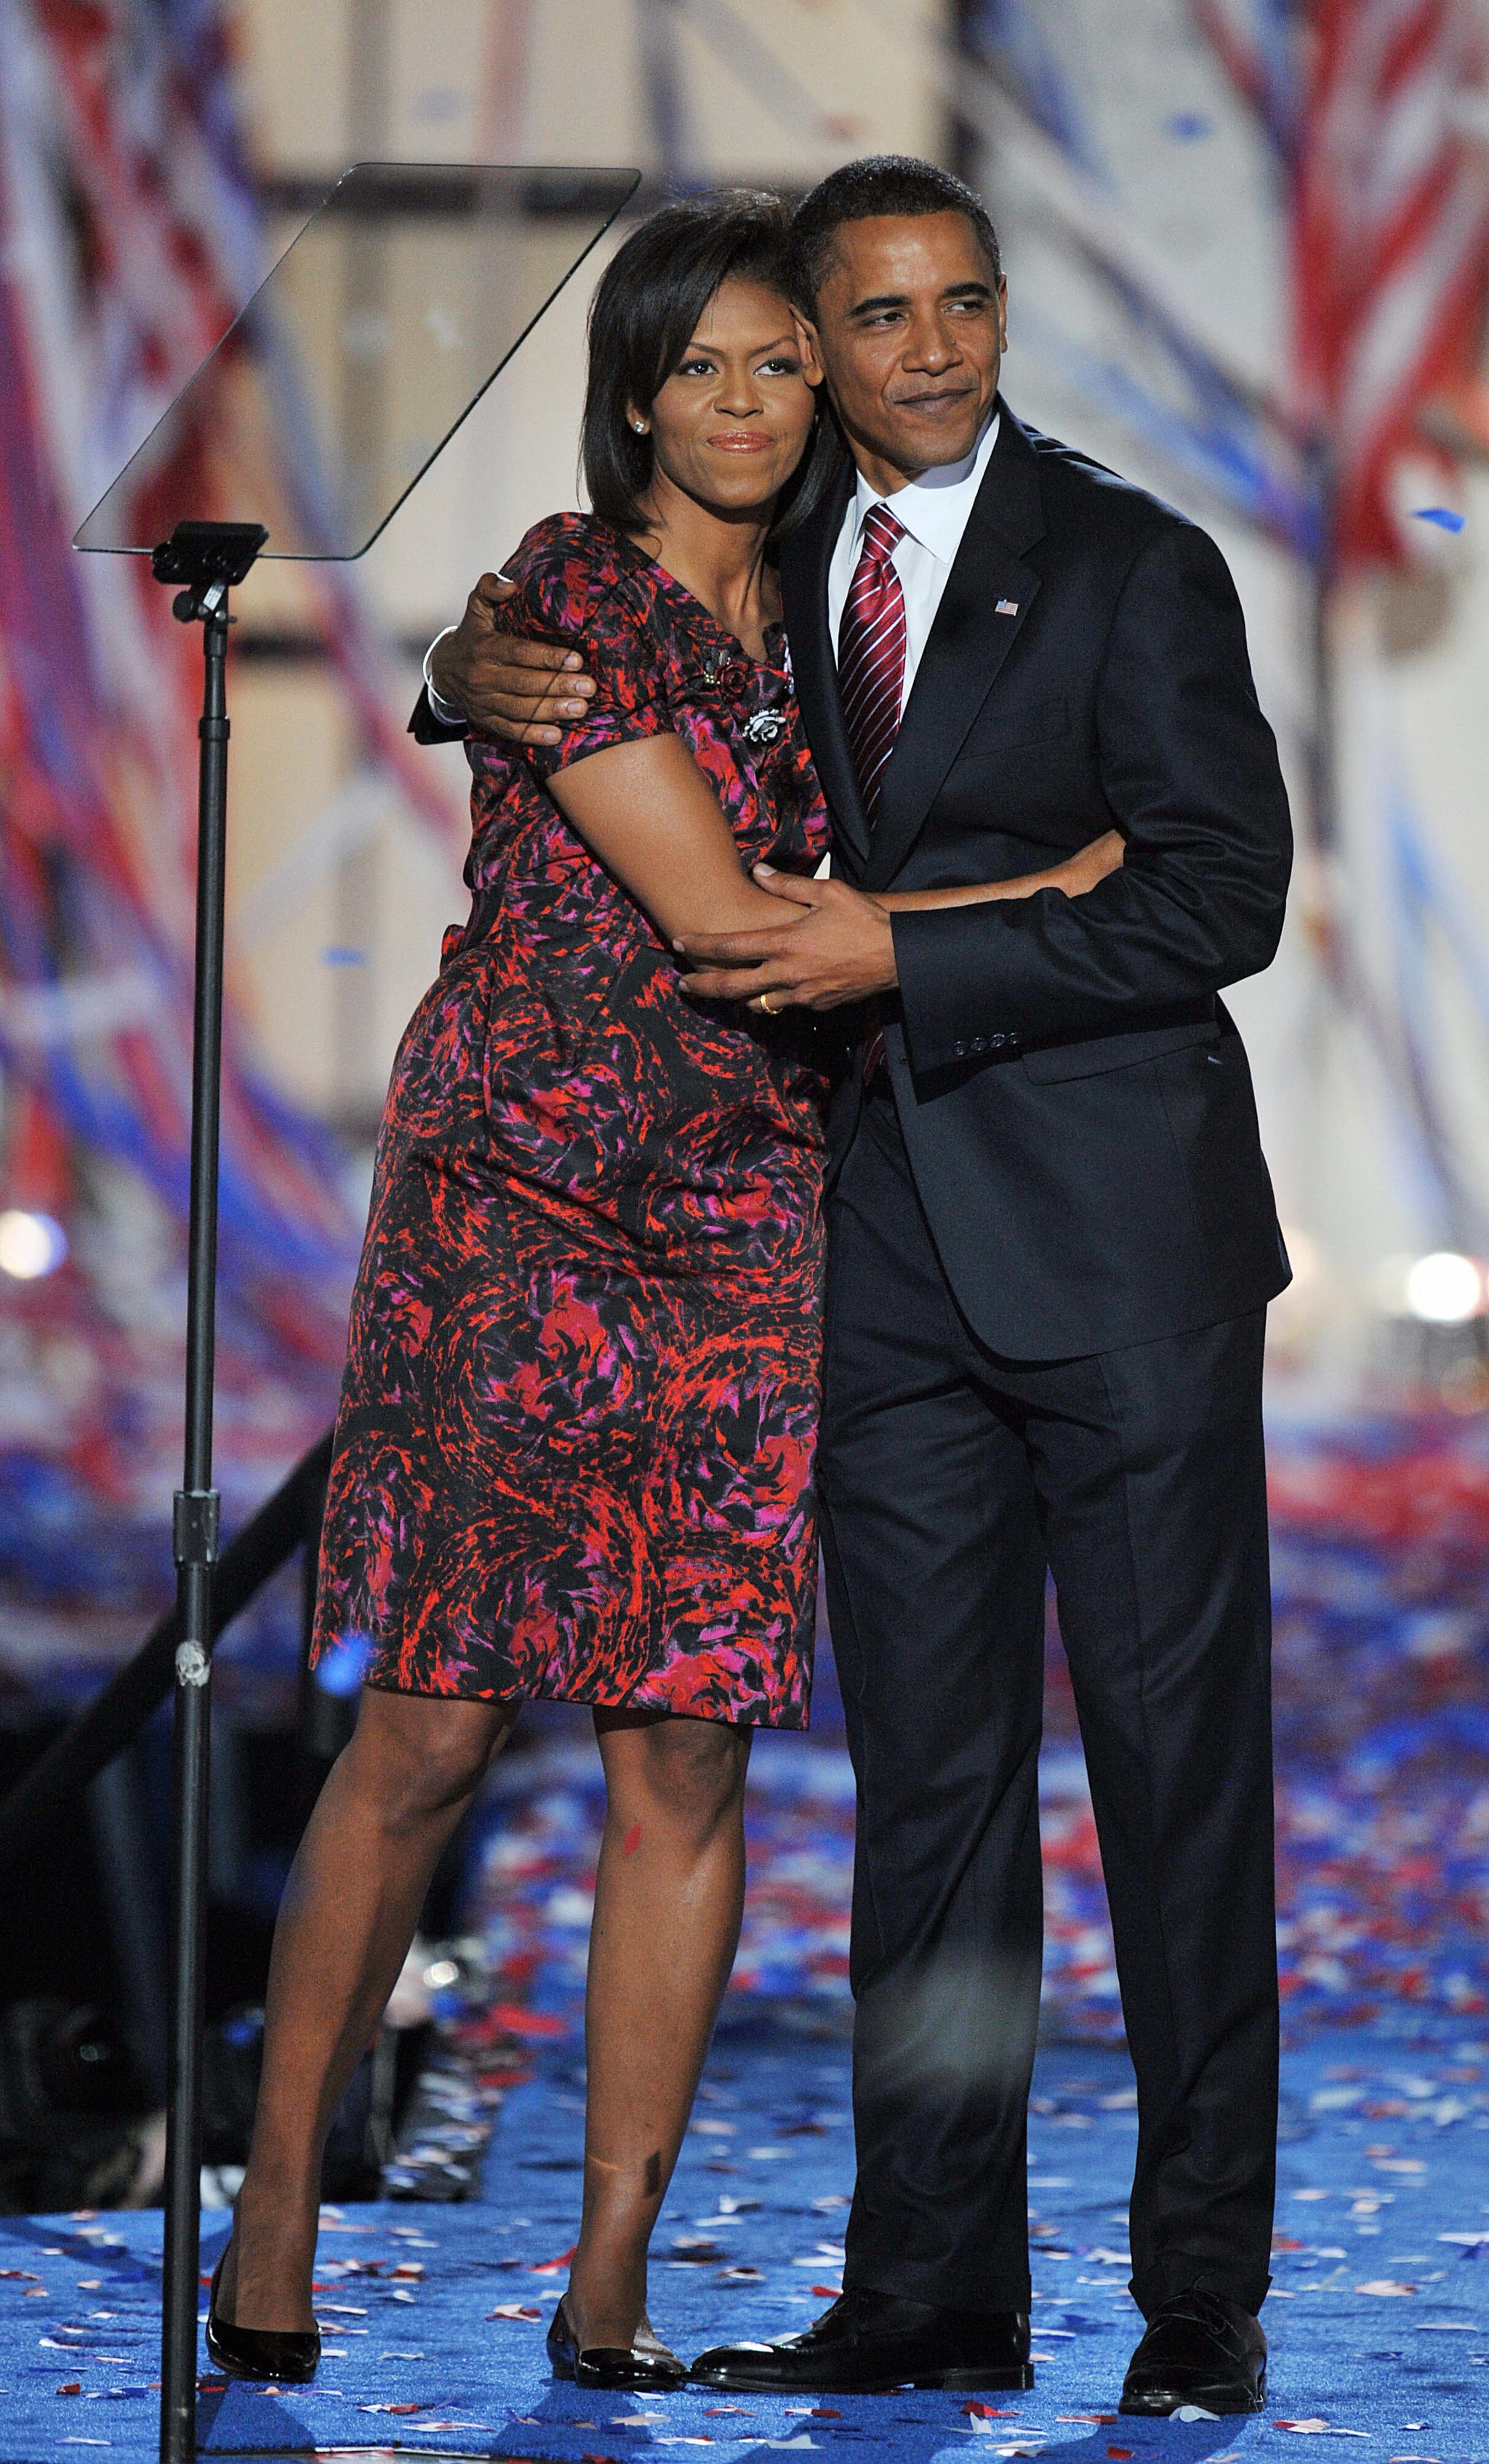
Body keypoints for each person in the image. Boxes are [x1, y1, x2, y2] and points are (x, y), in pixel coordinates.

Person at [209, 188, 1122, 2401]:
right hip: (515, 1203)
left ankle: (611, 2269)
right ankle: (271, 2206)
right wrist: (1073, 884)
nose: (743, 397)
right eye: (699, 361)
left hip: (747, 1221)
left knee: (686, 1748)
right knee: (427, 1726)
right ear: (632, 389)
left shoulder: (840, 609)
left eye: (776, 359)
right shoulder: (567, 599)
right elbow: (722, 918)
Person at [423, 157, 1293, 2416]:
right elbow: (595, 666)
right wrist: (452, 671)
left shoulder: (1131, 561)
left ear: (998, 315)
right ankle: (935, 2285)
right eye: (872, 320)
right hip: (882, 1260)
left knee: (1178, 1788)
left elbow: (1222, 890)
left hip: (1125, 1255)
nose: (926, 354)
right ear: (807, 347)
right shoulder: (770, 559)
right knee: (929, 1808)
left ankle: (1200, 2293)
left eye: (960, 306)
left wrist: (906, 943)